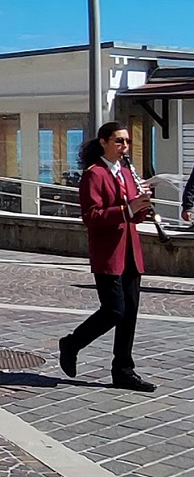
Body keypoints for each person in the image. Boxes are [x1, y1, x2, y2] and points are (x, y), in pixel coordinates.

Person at [58, 122, 156, 393]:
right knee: (114, 310)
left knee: (130, 313)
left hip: (130, 252)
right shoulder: (94, 174)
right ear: (103, 142)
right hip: (109, 253)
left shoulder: (125, 172)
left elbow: (133, 216)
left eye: (126, 142)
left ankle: (123, 370)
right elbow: (91, 217)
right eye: (118, 141)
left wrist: (142, 206)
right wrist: (127, 209)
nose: (124, 147)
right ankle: (72, 343)